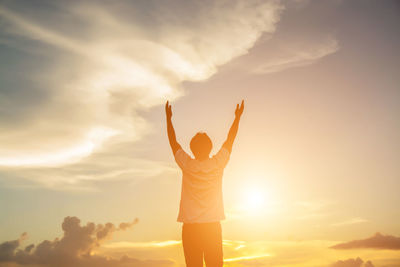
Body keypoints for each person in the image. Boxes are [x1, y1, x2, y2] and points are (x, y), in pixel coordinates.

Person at [165, 100, 244, 267]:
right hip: (212, 228)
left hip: (191, 229)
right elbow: (230, 140)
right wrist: (237, 118)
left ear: (193, 149)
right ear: (210, 147)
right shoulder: (218, 163)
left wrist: (168, 119)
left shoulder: (187, 164)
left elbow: (173, 143)